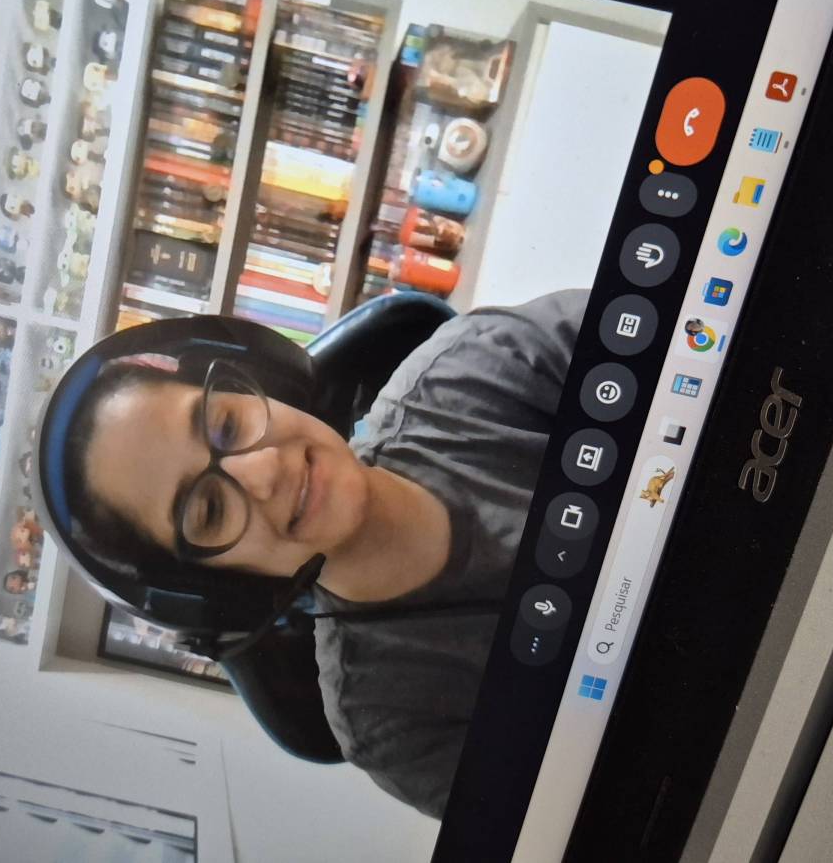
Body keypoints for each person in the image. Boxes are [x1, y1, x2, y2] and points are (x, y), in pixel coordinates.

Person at [56, 289, 584, 818]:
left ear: (263, 381)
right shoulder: (394, 726)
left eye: (227, 425)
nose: (264, 472)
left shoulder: (478, 362)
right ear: (218, 584)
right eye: (210, 509)